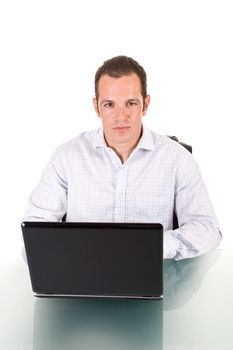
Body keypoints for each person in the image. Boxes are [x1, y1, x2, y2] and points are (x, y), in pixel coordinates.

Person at [23, 55, 222, 260]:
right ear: (96, 107)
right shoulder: (67, 157)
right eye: (109, 104)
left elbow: (207, 229)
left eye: (131, 103)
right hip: (82, 275)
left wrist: (152, 246)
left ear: (145, 104)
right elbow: (35, 224)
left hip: (154, 276)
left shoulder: (177, 159)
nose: (121, 116)